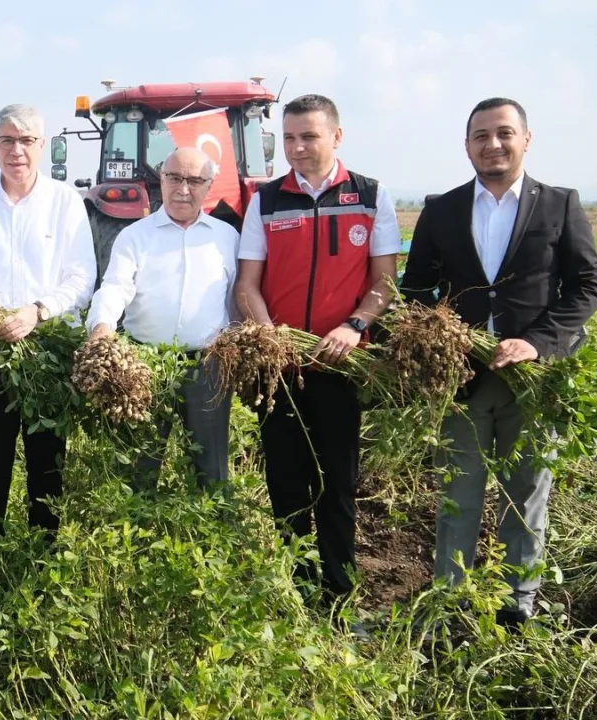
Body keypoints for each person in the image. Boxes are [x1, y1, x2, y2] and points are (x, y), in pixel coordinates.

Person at [402, 97, 597, 627]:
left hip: (533, 380)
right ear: (467, 145)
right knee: (458, 493)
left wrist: (537, 342)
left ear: (526, 140)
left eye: (504, 133)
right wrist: (446, 338)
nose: (493, 144)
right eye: (481, 136)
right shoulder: (441, 209)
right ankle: (449, 602)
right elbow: (416, 286)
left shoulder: (559, 204)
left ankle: (517, 605)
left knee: (527, 495)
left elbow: (586, 287)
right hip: (462, 378)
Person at [233, 94, 401, 599]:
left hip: (339, 366)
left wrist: (354, 326)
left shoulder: (370, 196)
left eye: (309, 136)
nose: (297, 147)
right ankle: (297, 593)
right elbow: (247, 285)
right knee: (285, 484)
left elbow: (385, 282)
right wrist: (270, 335)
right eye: (288, 138)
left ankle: (339, 595)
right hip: (281, 367)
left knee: (337, 485)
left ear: (336, 137)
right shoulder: (266, 200)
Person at [0, 103, 96, 544]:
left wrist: (37, 310)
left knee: (47, 459)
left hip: (48, 347)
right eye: (7, 140)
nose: (17, 150)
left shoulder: (64, 203)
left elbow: (82, 278)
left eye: (26, 140)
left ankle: (43, 551)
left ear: (42, 145)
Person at [87, 147, 238, 492]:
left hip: (208, 367)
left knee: (211, 468)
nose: (183, 189)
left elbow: (235, 299)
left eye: (194, 180)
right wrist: (102, 326)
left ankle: (213, 521)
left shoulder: (226, 237)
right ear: (162, 179)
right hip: (146, 364)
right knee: (138, 467)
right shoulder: (135, 236)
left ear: (209, 186)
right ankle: (136, 523)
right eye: (174, 178)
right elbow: (114, 287)